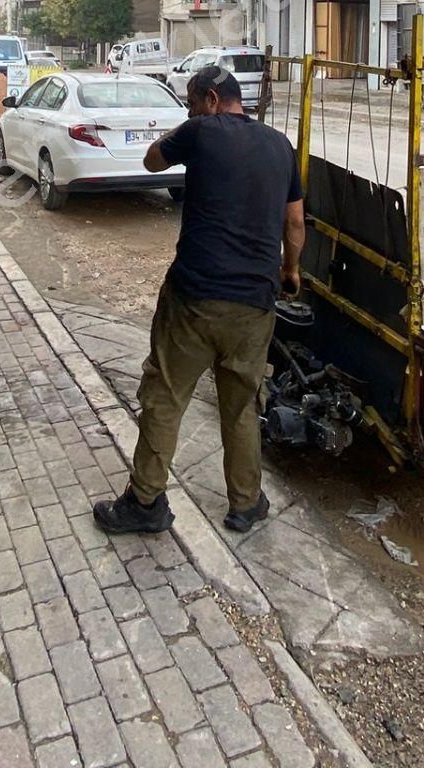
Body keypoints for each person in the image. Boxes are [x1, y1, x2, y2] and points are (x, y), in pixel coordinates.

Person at [93, 63, 304, 536]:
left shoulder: (199, 130)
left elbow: (151, 161)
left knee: (165, 396)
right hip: (255, 305)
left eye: (191, 102)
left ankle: (145, 504)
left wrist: (185, 128)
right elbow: (295, 224)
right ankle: (246, 504)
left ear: (210, 99)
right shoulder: (279, 145)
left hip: (194, 299)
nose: (190, 110)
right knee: (242, 404)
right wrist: (289, 272)